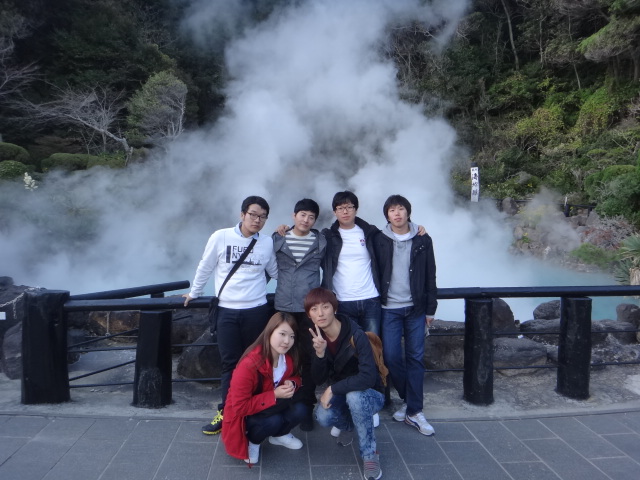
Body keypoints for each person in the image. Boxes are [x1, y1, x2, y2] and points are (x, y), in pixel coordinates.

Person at [183, 195, 278, 435]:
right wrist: (194, 293)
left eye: (263, 217)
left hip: (257, 311)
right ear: (242, 214)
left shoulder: (267, 242)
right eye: (253, 215)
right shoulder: (221, 236)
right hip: (226, 311)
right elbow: (205, 266)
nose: (257, 220)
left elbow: (276, 271)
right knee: (230, 365)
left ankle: (254, 411)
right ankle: (227, 412)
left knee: (256, 363)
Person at [373, 194, 438, 436]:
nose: (397, 213)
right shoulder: (379, 239)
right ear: (387, 215)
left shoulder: (422, 239)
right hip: (389, 308)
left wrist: (430, 309)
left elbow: (430, 274)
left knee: (416, 359)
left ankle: (414, 411)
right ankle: (409, 401)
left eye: (400, 209)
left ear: (408, 212)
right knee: (390, 357)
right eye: (392, 210)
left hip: (415, 309)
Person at [306, 287, 385, 480]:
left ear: (334, 308)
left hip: (370, 394)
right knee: (323, 416)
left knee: (355, 396)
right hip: (343, 395)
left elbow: (368, 377)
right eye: (314, 309)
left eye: (325, 307)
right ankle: (349, 425)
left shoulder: (356, 335)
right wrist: (320, 354)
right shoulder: (317, 338)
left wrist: (333, 389)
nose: (320, 313)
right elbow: (318, 379)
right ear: (309, 315)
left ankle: (370, 455)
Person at [222, 312, 309, 465]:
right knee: (273, 421)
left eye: (292, 336)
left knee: (301, 409)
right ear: (270, 332)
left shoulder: (287, 357)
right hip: (246, 415)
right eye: (282, 334)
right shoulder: (249, 365)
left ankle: (279, 436)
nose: (287, 341)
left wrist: (292, 383)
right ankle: (253, 441)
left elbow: (296, 376)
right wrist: (274, 395)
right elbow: (239, 407)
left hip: (272, 406)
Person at [272, 198, 327, 431]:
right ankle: (282, 402)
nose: (306, 220)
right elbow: (264, 267)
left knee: (309, 357)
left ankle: (305, 406)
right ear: (293, 216)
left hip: (309, 309)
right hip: (284, 307)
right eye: (302, 215)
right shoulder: (278, 238)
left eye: (311, 217)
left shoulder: (321, 241)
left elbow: (330, 270)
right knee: (282, 356)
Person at [321, 191, 382, 336]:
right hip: (343, 301)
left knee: (372, 344)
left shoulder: (370, 233)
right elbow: (306, 235)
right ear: (334, 212)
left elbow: (394, 235)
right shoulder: (328, 236)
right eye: (340, 208)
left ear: (356, 209)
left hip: (370, 299)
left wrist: (414, 228)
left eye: (349, 207)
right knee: (348, 346)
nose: (345, 211)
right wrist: (286, 230)